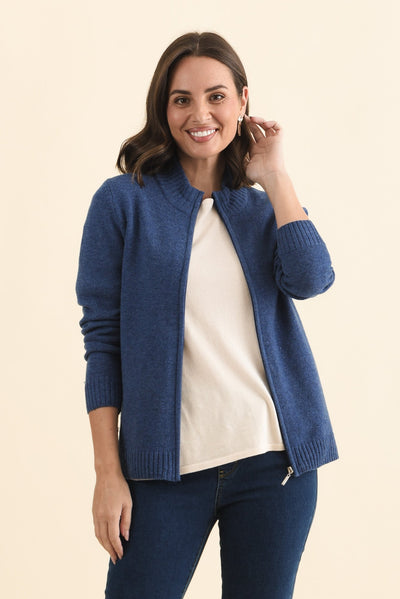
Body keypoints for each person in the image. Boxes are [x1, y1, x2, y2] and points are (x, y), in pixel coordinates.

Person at [75, 31, 338, 599]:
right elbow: (103, 342)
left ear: (242, 101)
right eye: (182, 99)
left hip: (273, 465)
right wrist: (107, 473)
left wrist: (276, 177)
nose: (200, 114)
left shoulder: (262, 208)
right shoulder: (123, 203)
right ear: (163, 108)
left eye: (216, 96)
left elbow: (312, 279)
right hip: (161, 474)